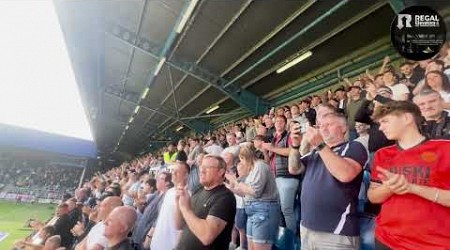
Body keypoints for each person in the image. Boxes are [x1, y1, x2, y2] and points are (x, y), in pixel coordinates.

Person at [368, 101, 450, 250]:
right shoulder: (382, 154)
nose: (380, 127)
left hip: (435, 243)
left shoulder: (445, 148)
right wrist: (389, 188)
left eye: (385, 121)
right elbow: (373, 197)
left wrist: (413, 188)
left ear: (407, 118)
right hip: (386, 240)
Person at [288, 112, 368, 250]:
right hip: (307, 228)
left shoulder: (353, 147)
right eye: (320, 126)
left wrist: (320, 145)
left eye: (329, 125)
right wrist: (295, 146)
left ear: (343, 128)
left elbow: (346, 174)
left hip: (336, 232)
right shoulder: (316, 152)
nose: (323, 129)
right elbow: (294, 169)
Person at [175, 155, 236, 250]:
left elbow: (207, 237)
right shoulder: (198, 190)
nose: (202, 171)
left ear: (221, 172)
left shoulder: (225, 197)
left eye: (207, 168)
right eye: (201, 167)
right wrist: (178, 202)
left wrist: (185, 208)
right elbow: (178, 225)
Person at [226, 146, 280, 250]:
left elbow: (255, 192)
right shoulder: (252, 169)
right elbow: (246, 193)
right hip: (252, 212)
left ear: (244, 157)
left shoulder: (260, 166)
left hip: (264, 211)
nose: (241, 163)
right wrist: (230, 187)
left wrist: (235, 181)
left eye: (241, 159)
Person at [262, 115, 299, 234]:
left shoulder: (289, 135)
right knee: (278, 209)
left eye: (281, 121)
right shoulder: (273, 139)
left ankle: (292, 239)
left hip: (287, 176)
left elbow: (292, 151)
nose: (278, 123)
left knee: (286, 210)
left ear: (285, 123)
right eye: (276, 121)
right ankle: (283, 237)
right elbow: (268, 162)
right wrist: (265, 151)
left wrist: (272, 148)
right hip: (275, 177)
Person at [150, 162, 190, 250]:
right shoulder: (170, 191)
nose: (173, 173)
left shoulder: (187, 195)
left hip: (170, 246)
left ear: (186, 175)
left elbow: (181, 225)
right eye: (173, 170)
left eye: (177, 171)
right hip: (156, 243)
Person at [131, 172, 172, 250]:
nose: (157, 180)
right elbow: (145, 209)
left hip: (146, 238)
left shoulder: (166, 197)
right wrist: (139, 203)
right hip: (139, 233)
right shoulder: (157, 193)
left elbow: (159, 219)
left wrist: (149, 237)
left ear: (167, 183)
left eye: (161, 179)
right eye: (158, 178)